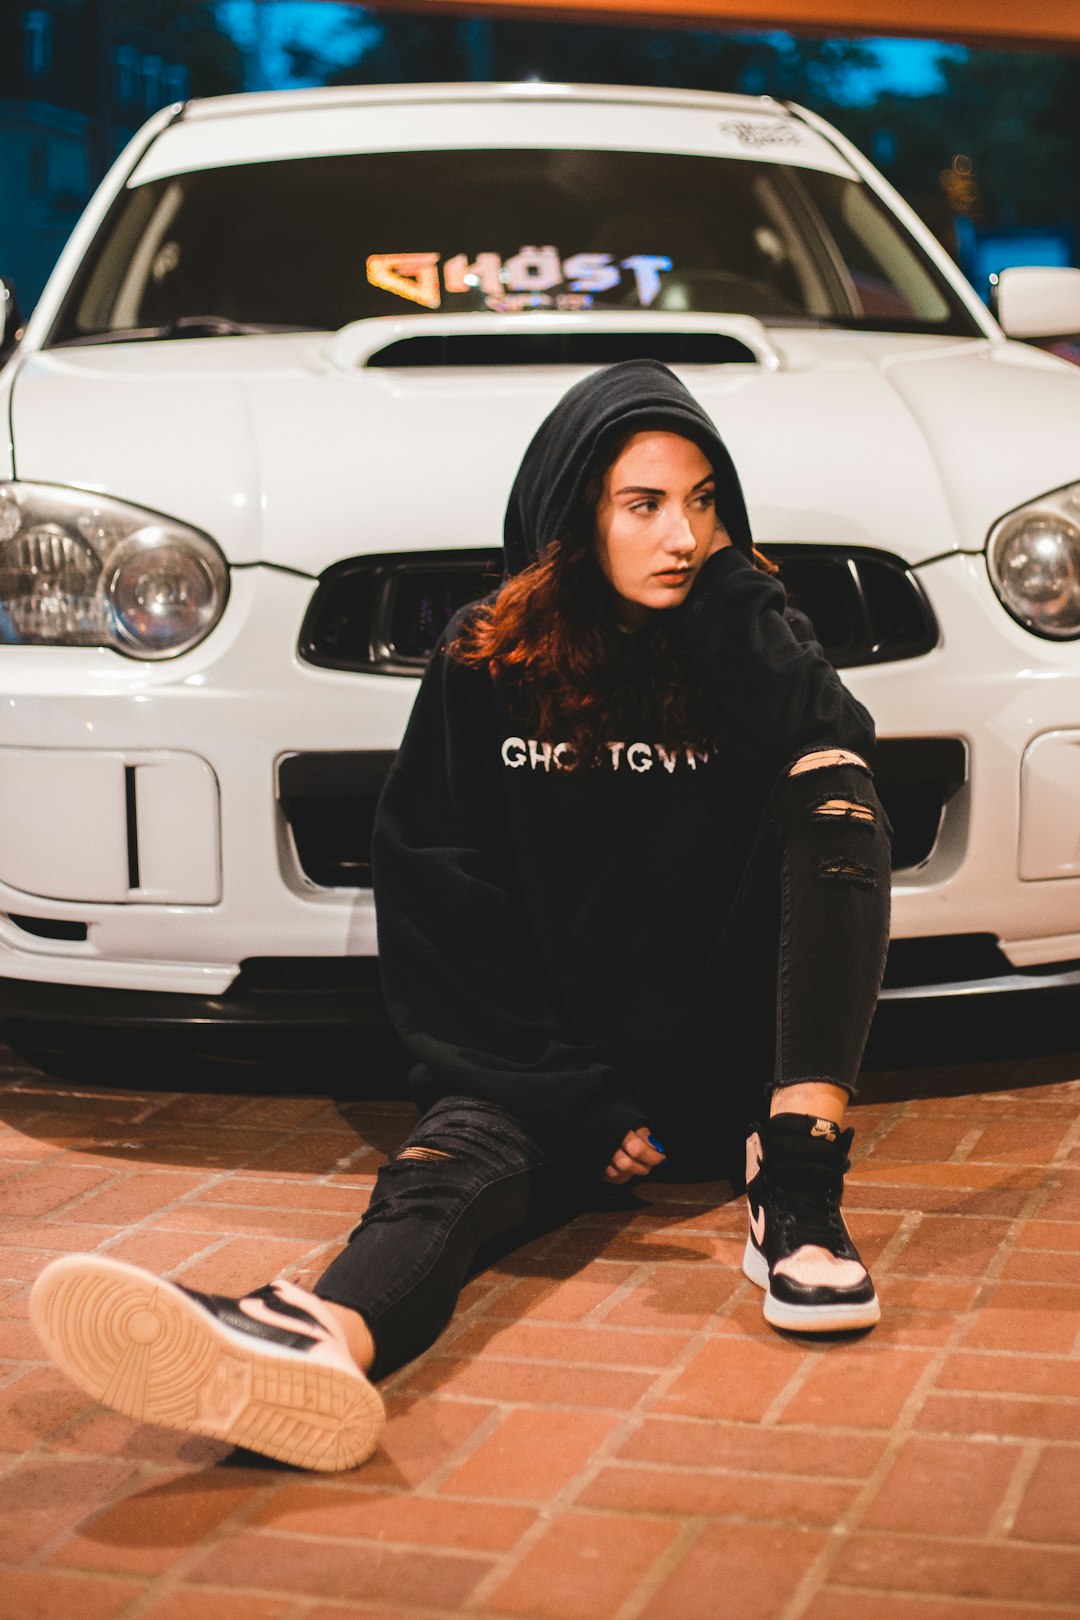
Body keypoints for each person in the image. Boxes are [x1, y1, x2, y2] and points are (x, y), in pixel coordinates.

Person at [30, 359, 891, 1475]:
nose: (682, 534)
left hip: (715, 1055)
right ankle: (309, 1337)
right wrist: (565, 1093)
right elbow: (438, 882)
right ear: (576, 514)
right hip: (542, 1065)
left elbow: (841, 746)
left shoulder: (740, 639)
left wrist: (737, 594)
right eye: (644, 505)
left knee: (834, 783)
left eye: (704, 501)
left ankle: (801, 1196)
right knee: (437, 1180)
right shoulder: (490, 656)